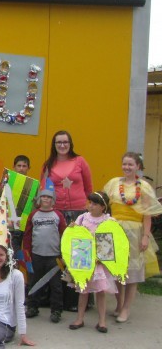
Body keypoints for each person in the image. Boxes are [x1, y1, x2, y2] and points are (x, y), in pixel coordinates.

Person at [104, 152, 162, 323]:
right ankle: (119, 304)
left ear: (138, 167)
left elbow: (147, 215)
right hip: (115, 231)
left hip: (134, 233)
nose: (127, 167)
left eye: (130, 164)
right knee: (116, 271)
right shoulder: (113, 184)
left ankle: (126, 308)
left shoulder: (143, 187)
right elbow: (105, 206)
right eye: (124, 164)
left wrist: (145, 236)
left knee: (132, 272)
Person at [41, 131, 92, 312]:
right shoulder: (48, 164)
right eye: (58, 142)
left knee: (77, 254)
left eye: (65, 142)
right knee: (57, 255)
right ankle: (55, 297)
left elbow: (88, 187)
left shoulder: (80, 162)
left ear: (70, 143)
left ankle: (77, 299)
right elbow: (43, 189)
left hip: (78, 213)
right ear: (54, 145)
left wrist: (88, 211)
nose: (62, 145)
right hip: (56, 213)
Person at [68, 192, 117, 333]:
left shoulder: (108, 221)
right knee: (83, 291)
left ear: (103, 207)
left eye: (95, 204)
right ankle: (80, 318)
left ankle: (102, 321)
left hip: (99, 263)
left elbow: (110, 242)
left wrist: (101, 258)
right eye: (89, 202)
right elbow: (75, 237)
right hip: (84, 260)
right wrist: (72, 229)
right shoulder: (82, 218)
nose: (91, 206)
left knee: (100, 292)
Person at [23, 186, 66, 323]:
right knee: (35, 282)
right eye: (43, 196)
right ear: (39, 199)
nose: (46, 199)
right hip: (36, 255)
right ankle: (32, 307)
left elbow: (63, 234)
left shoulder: (58, 215)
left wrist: (63, 253)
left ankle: (56, 310)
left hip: (54, 256)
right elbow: (28, 234)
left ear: (53, 200)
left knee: (56, 285)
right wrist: (27, 251)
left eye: (49, 197)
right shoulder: (33, 215)